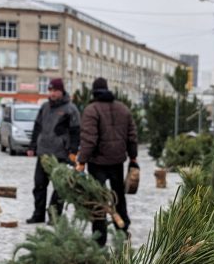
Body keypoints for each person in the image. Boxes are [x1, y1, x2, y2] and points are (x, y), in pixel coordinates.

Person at [75, 76, 138, 246]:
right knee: (118, 196)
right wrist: (133, 158)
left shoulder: (91, 110)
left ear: (94, 92)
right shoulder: (123, 109)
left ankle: (99, 236)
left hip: (98, 163)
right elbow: (132, 136)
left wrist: (82, 161)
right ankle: (122, 230)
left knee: (98, 198)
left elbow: (89, 140)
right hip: (117, 161)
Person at [26, 77, 80, 224]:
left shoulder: (70, 109)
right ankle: (38, 214)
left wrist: (73, 152)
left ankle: (54, 216)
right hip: (43, 153)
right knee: (39, 185)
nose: (52, 93)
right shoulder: (44, 107)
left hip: (61, 154)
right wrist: (32, 146)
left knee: (59, 187)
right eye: (50, 90)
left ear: (62, 91)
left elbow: (76, 132)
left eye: (55, 90)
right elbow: (37, 127)